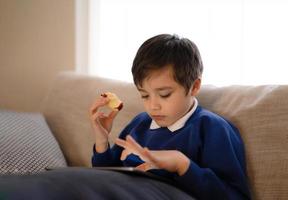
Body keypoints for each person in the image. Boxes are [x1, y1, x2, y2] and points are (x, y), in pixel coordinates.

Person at [90, 34, 251, 200]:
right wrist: (102, 142)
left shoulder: (212, 128)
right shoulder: (140, 123)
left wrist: (182, 164)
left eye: (165, 95)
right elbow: (105, 180)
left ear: (194, 87)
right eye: (144, 95)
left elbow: (235, 196)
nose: (153, 106)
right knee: (69, 181)